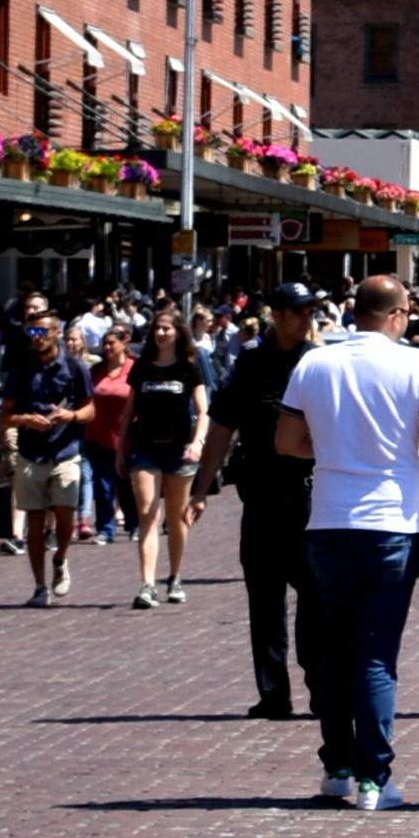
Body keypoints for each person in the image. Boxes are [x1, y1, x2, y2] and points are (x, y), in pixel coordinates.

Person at [276, 276, 419, 808]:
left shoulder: (315, 363)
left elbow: (286, 442)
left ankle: (337, 766)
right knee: (376, 656)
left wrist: (335, 449)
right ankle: (374, 779)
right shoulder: (415, 363)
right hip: (391, 522)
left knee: (334, 650)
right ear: (397, 315)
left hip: (329, 519)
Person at [191, 281, 323, 720]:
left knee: (315, 595)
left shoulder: (319, 363)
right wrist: (201, 490)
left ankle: (320, 685)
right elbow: (222, 429)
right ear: (277, 316)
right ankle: (273, 693)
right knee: (264, 599)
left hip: (308, 496)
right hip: (262, 498)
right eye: (299, 311)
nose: (307, 319)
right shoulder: (250, 364)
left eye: (311, 311)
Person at [2, 308, 94, 602]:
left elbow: (89, 410)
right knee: (35, 521)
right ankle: (40, 586)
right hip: (31, 453)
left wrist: (71, 416)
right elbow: (5, 415)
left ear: (57, 333)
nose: (37, 337)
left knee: (65, 516)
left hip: (65, 452)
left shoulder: (74, 366)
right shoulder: (22, 367)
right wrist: (27, 420)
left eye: (42, 331)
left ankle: (60, 558)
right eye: (32, 331)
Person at [125, 306, 209, 606]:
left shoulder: (190, 365)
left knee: (177, 518)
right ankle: (148, 584)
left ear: (178, 332)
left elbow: (203, 410)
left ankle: (174, 577)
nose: (161, 333)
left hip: (179, 449)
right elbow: (129, 410)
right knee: (147, 512)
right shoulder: (142, 365)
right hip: (145, 448)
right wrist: (121, 449)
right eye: (157, 328)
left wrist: (197, 442)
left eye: (166, 328)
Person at [80, 324, 136, 547]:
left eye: (111, 343)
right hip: (97, 436)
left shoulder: (134, 369)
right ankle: (105, 529)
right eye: (104, 344)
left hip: (128, 438)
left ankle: (135, 524)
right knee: (102, 486)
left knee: (128, 485)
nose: (107, 348)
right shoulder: (96, 371)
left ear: (123, 343)